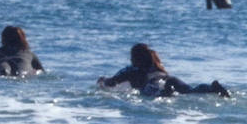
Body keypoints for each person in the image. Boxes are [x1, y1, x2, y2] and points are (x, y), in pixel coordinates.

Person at [97, 43, 231, 98]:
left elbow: (111, 83)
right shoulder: (157, 66)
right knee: (190, 91)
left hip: (153, 84)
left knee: (162, 95)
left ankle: (167, 90)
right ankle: (212, 88)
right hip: (170, 79)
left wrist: (103, 80)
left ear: (135, 58)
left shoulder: (132, 70)